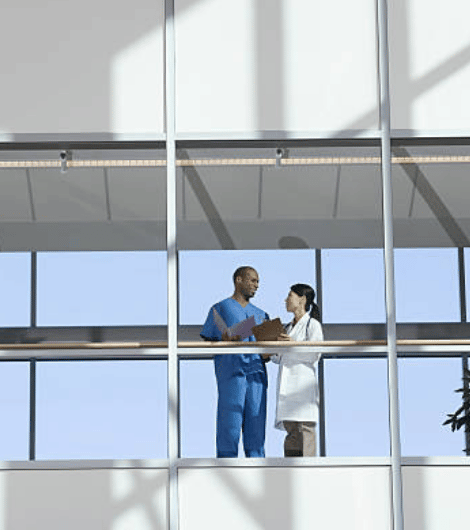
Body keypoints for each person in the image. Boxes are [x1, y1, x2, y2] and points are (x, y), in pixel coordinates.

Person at [200, 266, 269, 458]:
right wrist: (227, 337)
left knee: (256, 428)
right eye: (252, 280)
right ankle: (225, 470)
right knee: (229, 425)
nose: (256, 285)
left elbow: (267, 353)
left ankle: (258, 472)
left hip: (256, 375)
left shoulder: (262, 315)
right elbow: (210, 339)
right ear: (238, 280)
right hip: (232, 374)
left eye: (258, 282)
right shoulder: (219, 309)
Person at [272, 283, 323, 457]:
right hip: (287, 391)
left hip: (302, 388)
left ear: (302, 299)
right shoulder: (287, 328)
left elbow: (314, 354)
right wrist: (275, 346)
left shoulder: (312, 325)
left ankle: (309, 473)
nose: (286, 300)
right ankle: (290, 470)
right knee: (291, 433)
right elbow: (278, 358)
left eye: (290, 296)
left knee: (305, 432)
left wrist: (291, 345)